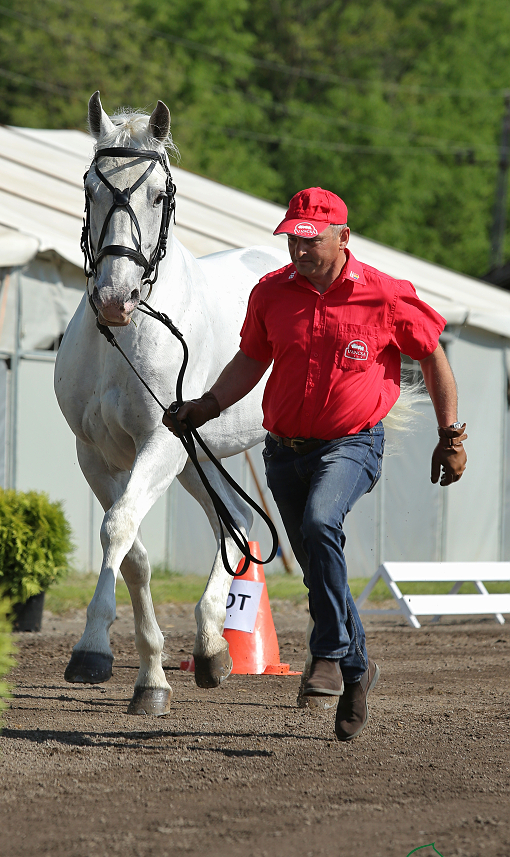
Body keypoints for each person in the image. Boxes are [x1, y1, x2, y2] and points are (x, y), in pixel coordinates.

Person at [163, 187, 467, 741]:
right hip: (283, 451)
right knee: (317, 569)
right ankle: (357, 671)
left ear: (342, 237)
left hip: (351, 445)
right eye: (292, 240)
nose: (298, 252)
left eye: (310, 241)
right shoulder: (272, 294)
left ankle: (327, 651)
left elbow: (432, 354)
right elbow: (252, 359)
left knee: (321, 524)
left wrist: (450, 434)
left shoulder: (386, 295)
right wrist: (205, 408)